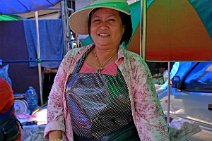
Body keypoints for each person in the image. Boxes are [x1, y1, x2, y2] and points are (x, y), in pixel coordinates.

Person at [44, 0, 169, 141]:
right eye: (96, 20)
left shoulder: (134, 64)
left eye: (111, 20)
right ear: (90, 27)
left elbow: (149, 115)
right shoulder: (72, 58)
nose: (103, 26)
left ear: (123, 28)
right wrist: (55, 137)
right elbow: (56, 102)